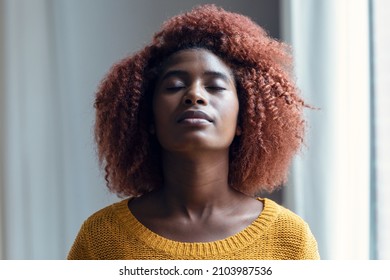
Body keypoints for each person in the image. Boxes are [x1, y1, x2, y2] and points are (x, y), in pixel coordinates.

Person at [68, 4, 320, 260]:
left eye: (215, 87)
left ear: (244, 118)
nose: (195, 95)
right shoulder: (101, 238)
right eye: (175, 86)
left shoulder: (289, 238)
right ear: (148, 118)